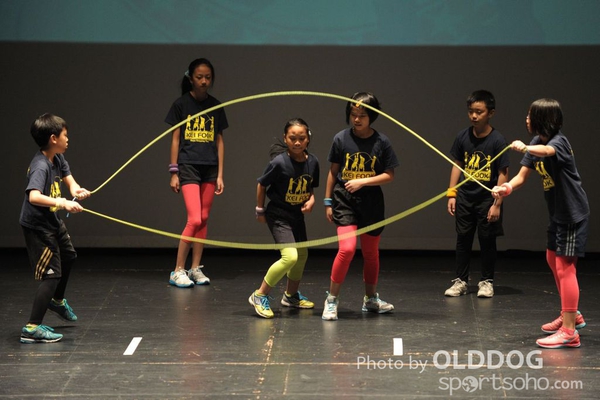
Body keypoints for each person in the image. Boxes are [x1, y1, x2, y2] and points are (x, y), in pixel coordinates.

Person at [493, 98, 589, 349]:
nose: (526, 119)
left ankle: (569, 331)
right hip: (557, 214)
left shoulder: (558, 142)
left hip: (572, 214)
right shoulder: (537, 141)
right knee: (551, 258)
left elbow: (547, 153)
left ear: (542, 119)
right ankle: (571, 314)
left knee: (565, 267)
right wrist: (506, 188)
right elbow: (522, 176)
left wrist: (525, 147)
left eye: (530, 115)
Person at [322, 92, 399, 321]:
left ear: (372, 116)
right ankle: (331, 300)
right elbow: (333, 172)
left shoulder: (382, 142)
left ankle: (370, 299)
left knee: (370, 253)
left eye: (362, 115)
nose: (356, 119)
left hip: (371, 203)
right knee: (346, 249)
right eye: (353, 114)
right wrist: (328, 201)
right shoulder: (341, 138)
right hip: (344, 200)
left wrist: (363, 181)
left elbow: (389, 175)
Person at [19, 113, 91, 343]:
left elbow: (70, 182)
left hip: (52, 221)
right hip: (38, 227)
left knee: (69, 255)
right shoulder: (40, 166)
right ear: (53, 138)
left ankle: (57, 301)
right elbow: (34, 196)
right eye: (65, 135)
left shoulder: (57, 158)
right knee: (51, 275)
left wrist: (77, 192)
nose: (68, 139)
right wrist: (62, 203)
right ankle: (32, 327)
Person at [165, 58, 228, 288]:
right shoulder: (181, 105)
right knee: (194, 219)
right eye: (199, 77)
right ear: (191, 78)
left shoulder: (216, 106)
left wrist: (220, 174)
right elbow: (175, 139)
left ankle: (194, 268)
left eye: (207, 77)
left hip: (209, 167)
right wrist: (174, 171)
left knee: (204, 219)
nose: (204, 81)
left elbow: (219, 141)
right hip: (188, 166)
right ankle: (177, 270)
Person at [248, 118, 320, 318]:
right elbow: (262, 184)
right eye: (292, 138)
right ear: (285, 138)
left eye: (301, 138)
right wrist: (260, 210)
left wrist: (312, 200)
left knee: (302, 255)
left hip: (296, 215)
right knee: (290, 257)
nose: (297, 142)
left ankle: (291, 296)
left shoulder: (313, 162)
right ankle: (259, 295)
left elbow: (310, 186)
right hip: (278, 215)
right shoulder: (279, 163)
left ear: (308, 139)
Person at [444, 90, 509, 298]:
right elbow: (457, 164)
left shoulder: (497, 140)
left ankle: (487, 281)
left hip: (487, 199)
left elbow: (503, 173)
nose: (474, 116)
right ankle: (461, 281)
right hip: (465, 197)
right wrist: (452, 193)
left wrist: (497, 204)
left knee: (487, 240)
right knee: (463, 239)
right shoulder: (462, 136)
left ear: (491, 113)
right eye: (471, 111)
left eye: (479, 112)